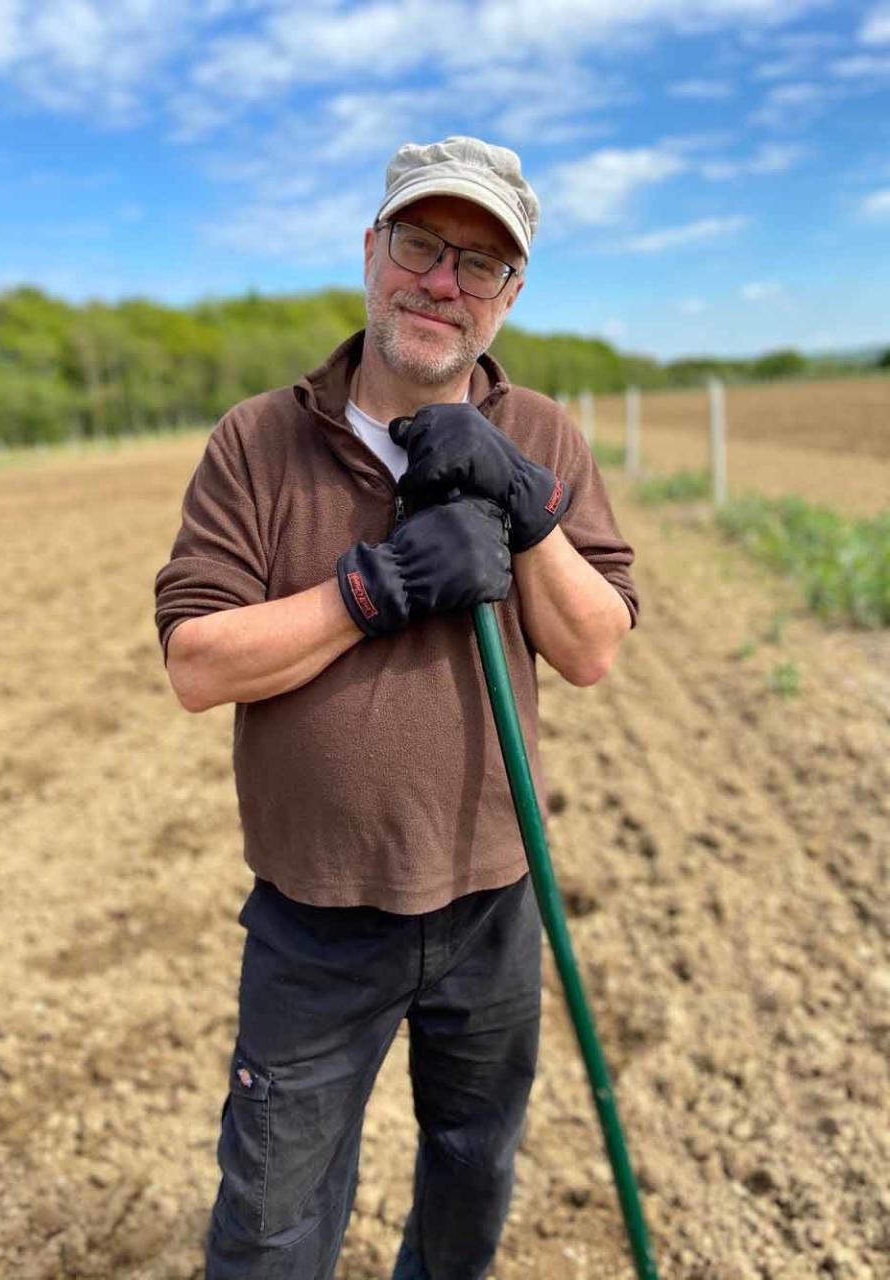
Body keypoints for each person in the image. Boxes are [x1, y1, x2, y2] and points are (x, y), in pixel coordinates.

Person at [154, 135, 638, 1280]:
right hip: (315, 920)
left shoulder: (546, 438)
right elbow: (197, 662)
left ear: (509, 296)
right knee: (272, 1219)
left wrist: (526, 509)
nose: (442, 283)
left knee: (472, 1168)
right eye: (421, 245)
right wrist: (378, 587)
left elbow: (593, 647)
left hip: (491, 901)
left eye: (479, 266)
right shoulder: (260, 439)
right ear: (372, 253)